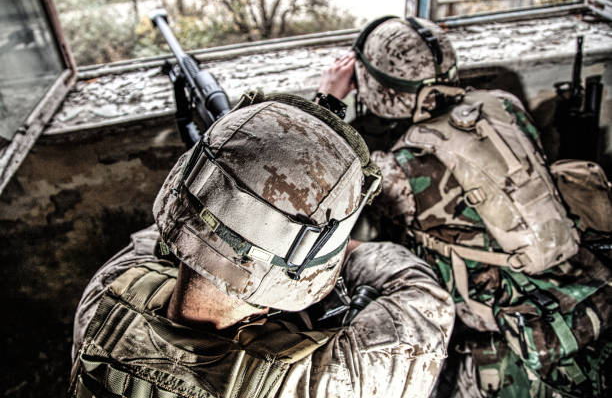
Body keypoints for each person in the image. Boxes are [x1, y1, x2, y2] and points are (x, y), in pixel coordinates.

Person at [69, 92, 455, 398]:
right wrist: (343, 250)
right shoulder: (337, 382)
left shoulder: (104, 299)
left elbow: (175, 230)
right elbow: (423, 297)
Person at [315, 16, 612, 397]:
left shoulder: (397, 171)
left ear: (377, 89)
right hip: (566, 277)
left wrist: (327, 101)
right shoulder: (504, 105)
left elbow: (317, 191)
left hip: (491, 332)